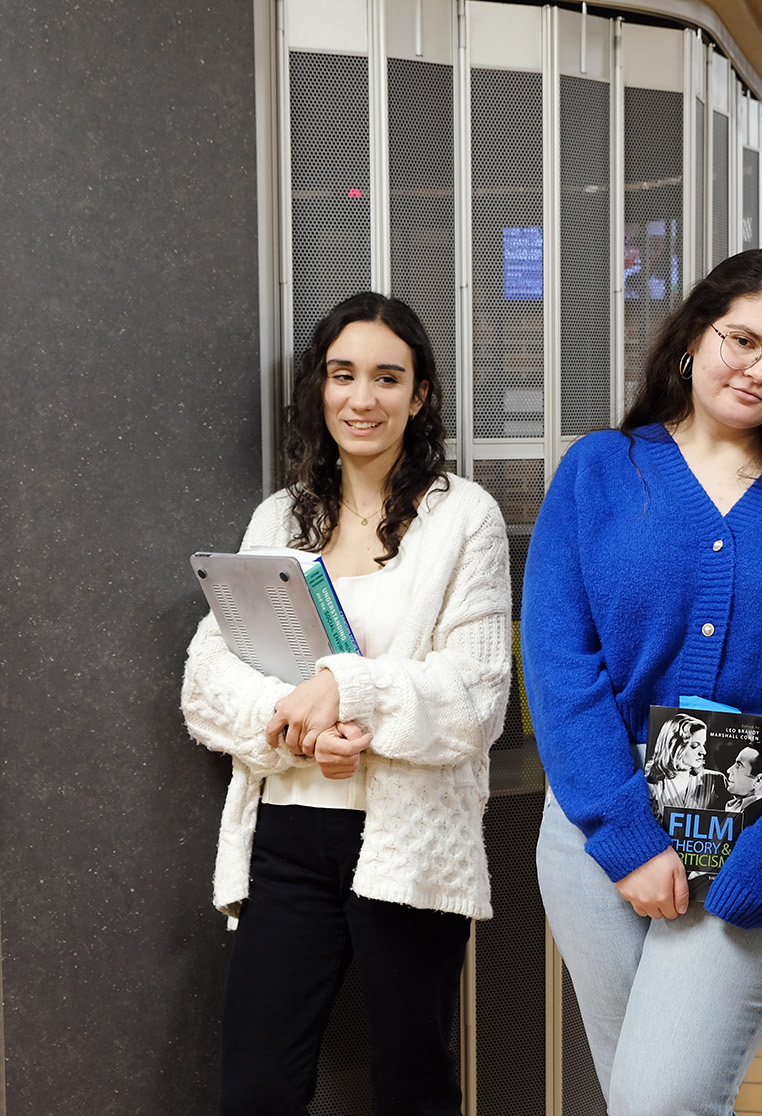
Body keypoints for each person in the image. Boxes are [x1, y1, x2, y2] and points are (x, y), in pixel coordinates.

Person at [520, 248, 762, 1114]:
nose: (759, 371)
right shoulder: (600, 470)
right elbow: (557, 661)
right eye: (743, 341)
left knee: (662, 1099)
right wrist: (625, 839)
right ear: (695, 337)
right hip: (597, 834)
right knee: (640, 1101)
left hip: (761, 831)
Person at [181, 292, 511, 1116]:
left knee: (412, 1085)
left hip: (407, 839)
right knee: (257, 1085)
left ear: (420, 395)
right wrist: (297, 732)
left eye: (387, 378)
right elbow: (206, 681)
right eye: (342, 375)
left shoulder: (463, 519)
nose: (362, 399)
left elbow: (477, 701)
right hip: (290, 834)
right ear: (319, 388)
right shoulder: (279, 517)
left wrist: (347, 689)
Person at [644, 712, 722, 818]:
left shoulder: (715, 780)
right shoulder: (650, 784)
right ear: (675, 746)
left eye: (703, 744)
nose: (703, 752)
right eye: (695, 745)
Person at [723, 743, 762, 822]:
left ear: (759, 779)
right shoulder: (730, 804)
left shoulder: (761, 814)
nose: (729, 770)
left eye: (739, 765)